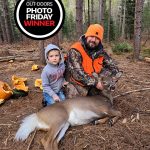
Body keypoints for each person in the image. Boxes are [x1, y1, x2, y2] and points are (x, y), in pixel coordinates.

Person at [65, 24, 121, 100]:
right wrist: (96, 83)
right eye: (91, 36)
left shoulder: (101, 52)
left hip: (95, 83)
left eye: (97, 38)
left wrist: (113, 78)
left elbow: (113, 67)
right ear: (86, 36)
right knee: (76, 104)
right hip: (78, 84)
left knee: (106, 101)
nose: (93, 40)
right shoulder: (75, 50)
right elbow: (77, 74)